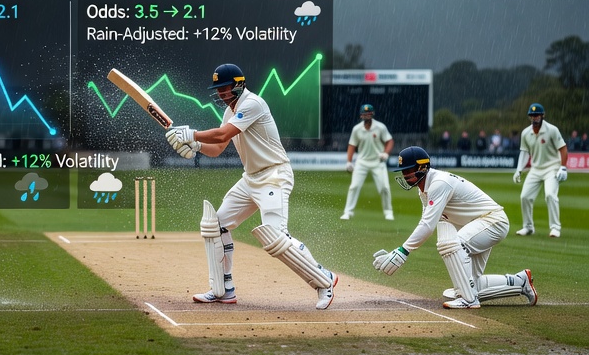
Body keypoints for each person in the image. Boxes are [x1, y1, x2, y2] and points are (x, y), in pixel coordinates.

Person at [165, 64, 337, 309]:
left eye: (224, 88)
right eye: (218, 89)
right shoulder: (229, 112)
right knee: (217, 226)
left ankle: (324, 280)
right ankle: (224, 290)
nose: (221, 93)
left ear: (238, 84)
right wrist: (197, 147)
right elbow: (217, 149)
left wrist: (191, 135)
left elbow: (223, 135)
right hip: (250, 178)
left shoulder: (253, 103)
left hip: (274, 175)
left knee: (276, 237)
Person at [374, 147, 536, 308]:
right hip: (479, 225)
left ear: (422, 168)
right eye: (403, 171)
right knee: (471, 283)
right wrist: (400, 250)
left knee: (453, 245)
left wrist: (403, 250)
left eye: (408, 170)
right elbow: (427, 221)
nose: (405, 175)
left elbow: (427, 225)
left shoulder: (439, 184)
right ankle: (521, 281)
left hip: (493, 222)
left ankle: (469, 300)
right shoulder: (424, 190)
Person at [513, 103, 569, 238]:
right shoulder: (526, 133)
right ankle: (528, 227)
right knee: (525, 196)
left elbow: (563, 148)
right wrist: (519, 169)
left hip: (552, 168)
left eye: (537, 115)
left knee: (550, 195)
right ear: (529, 117)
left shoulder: (552, 130)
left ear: (542, 116)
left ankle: (555, 228)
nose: (534, 118)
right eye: (532, 116)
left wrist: (563, 167)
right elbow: (524, 151)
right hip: (535, 169)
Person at [341, 103, 394, 221]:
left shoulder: (380, 127)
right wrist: (349, 162)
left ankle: (388, 212)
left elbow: (389, 141)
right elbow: (352, 145)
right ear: (361, 116)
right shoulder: (357, 129)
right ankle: (347, 212)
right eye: (364, 114)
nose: (366, 116)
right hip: (362, 161)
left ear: (372, 114)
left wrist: (386, 153)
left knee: (384, 187)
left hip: (377, 161)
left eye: (368, 113)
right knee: (354, 186)